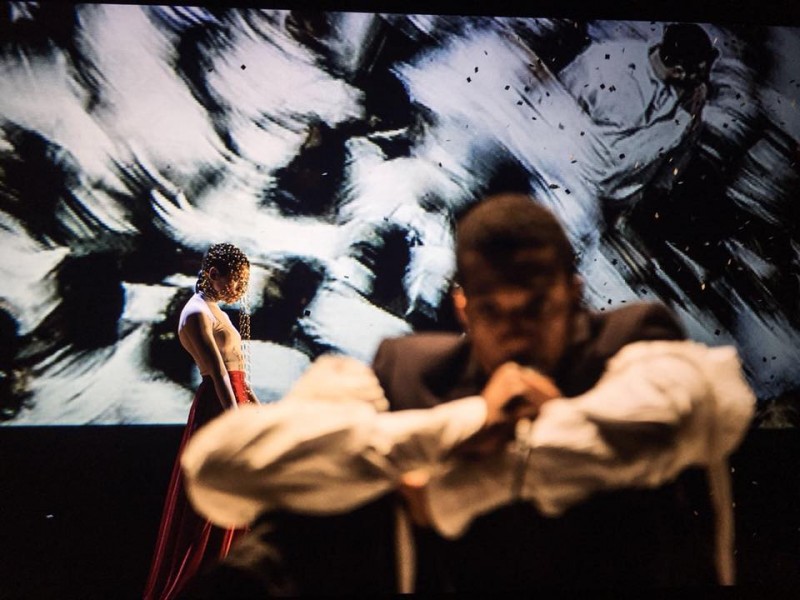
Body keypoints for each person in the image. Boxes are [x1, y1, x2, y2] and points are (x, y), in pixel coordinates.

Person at [177, 194, 753, 594]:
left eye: (538, 309)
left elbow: (697, 412)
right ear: (462, 308)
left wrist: (448, 485)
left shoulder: (635, 341)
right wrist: (468, 422)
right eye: (493, 313)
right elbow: (221, 469)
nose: (516, 331)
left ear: (574, 295)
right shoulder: (410, 371)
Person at [144, 243, 259, 600]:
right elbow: (219, 373)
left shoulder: (214, 310)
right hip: (218, 407)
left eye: (243, 282)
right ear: (212, 275)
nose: (240, 290)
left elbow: (237, 369)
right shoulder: (196, 314)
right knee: (213, 502)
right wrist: (235, 416)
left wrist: (253, 404)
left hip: (233, 402)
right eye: (235, 281)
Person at [559, 23, 720, 222]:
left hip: (609, 207)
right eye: (700, 74)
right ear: (678, 71)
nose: (704, 81)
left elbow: (682, 151)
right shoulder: (607, 61)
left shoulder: (695, 97)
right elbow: (556, 106)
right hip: (565, 181)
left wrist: (654, 192)